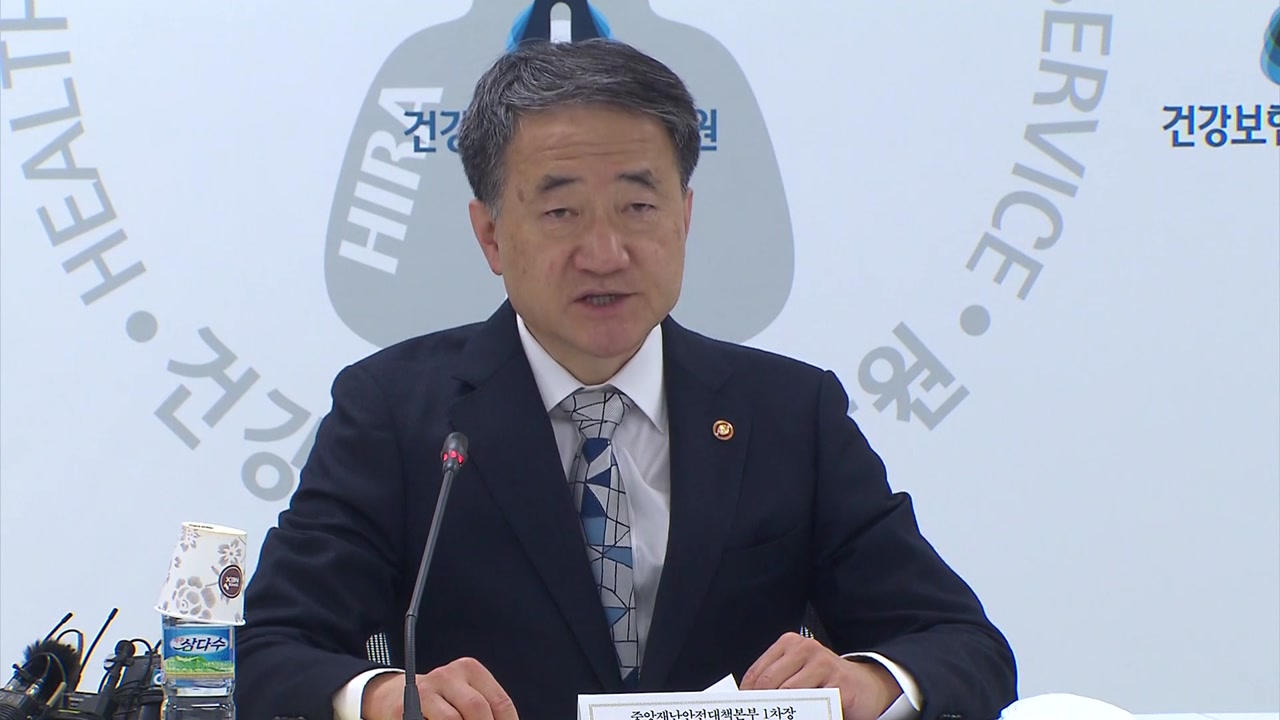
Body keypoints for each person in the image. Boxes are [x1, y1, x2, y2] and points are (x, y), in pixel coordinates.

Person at [235, 38, 1017, 720]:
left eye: (638, 207)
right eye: (561, 213)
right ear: (490, 235)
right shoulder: (394, 413)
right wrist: (379, 697)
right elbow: (270, 649)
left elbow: (962, 643)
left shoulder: (789, 413)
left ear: (684, 216)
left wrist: (871, 680)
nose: (606, 253)